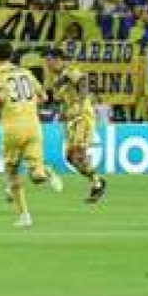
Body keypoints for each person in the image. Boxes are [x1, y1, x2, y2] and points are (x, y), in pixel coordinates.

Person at [0, 42, 62, 228]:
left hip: (12, 127)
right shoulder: (26, 73)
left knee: (12, 173)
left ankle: (25, 216)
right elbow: (44, 97)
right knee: (36, 177)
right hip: (33, 126)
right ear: (12, 55)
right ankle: (46, 170)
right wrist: (27, 104)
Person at [46, 48, 106, 203]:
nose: (48, 63)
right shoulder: (56, 80)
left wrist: (80, 102)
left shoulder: (69, 71)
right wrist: (62, 114)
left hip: (82, 116)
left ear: (59, 59)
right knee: (71, 157)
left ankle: (97, 184)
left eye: (50, 60)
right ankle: (97, 181)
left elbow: (83, 82)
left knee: (78, 152)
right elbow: (62, 100)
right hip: (70, 120)